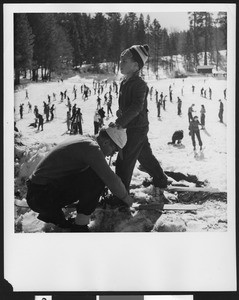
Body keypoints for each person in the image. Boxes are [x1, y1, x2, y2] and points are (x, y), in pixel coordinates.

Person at [25, 127, 134, 231]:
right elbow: (111, 179)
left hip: (38, 193)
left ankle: (53, 213)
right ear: (105, 142)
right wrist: (126, 198)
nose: (111, 154)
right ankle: (80, 226)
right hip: (40, 197)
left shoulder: (85, 140)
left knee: (95, 172)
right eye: (113, 151)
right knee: (98, 176)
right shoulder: (92, 149)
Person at [112, 44, 168, 199]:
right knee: (145, 156)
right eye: (121, 60)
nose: (120, 63)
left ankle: (121, 195)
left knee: (124, 160)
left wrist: (121, 122)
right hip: (132, 125)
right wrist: (120, 114)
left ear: (136, 65)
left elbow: (137, 107)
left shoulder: (140, 84)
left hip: (136, 128)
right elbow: (127, 106)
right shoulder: (124, 82)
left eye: (124, 61)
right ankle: (161, 179)